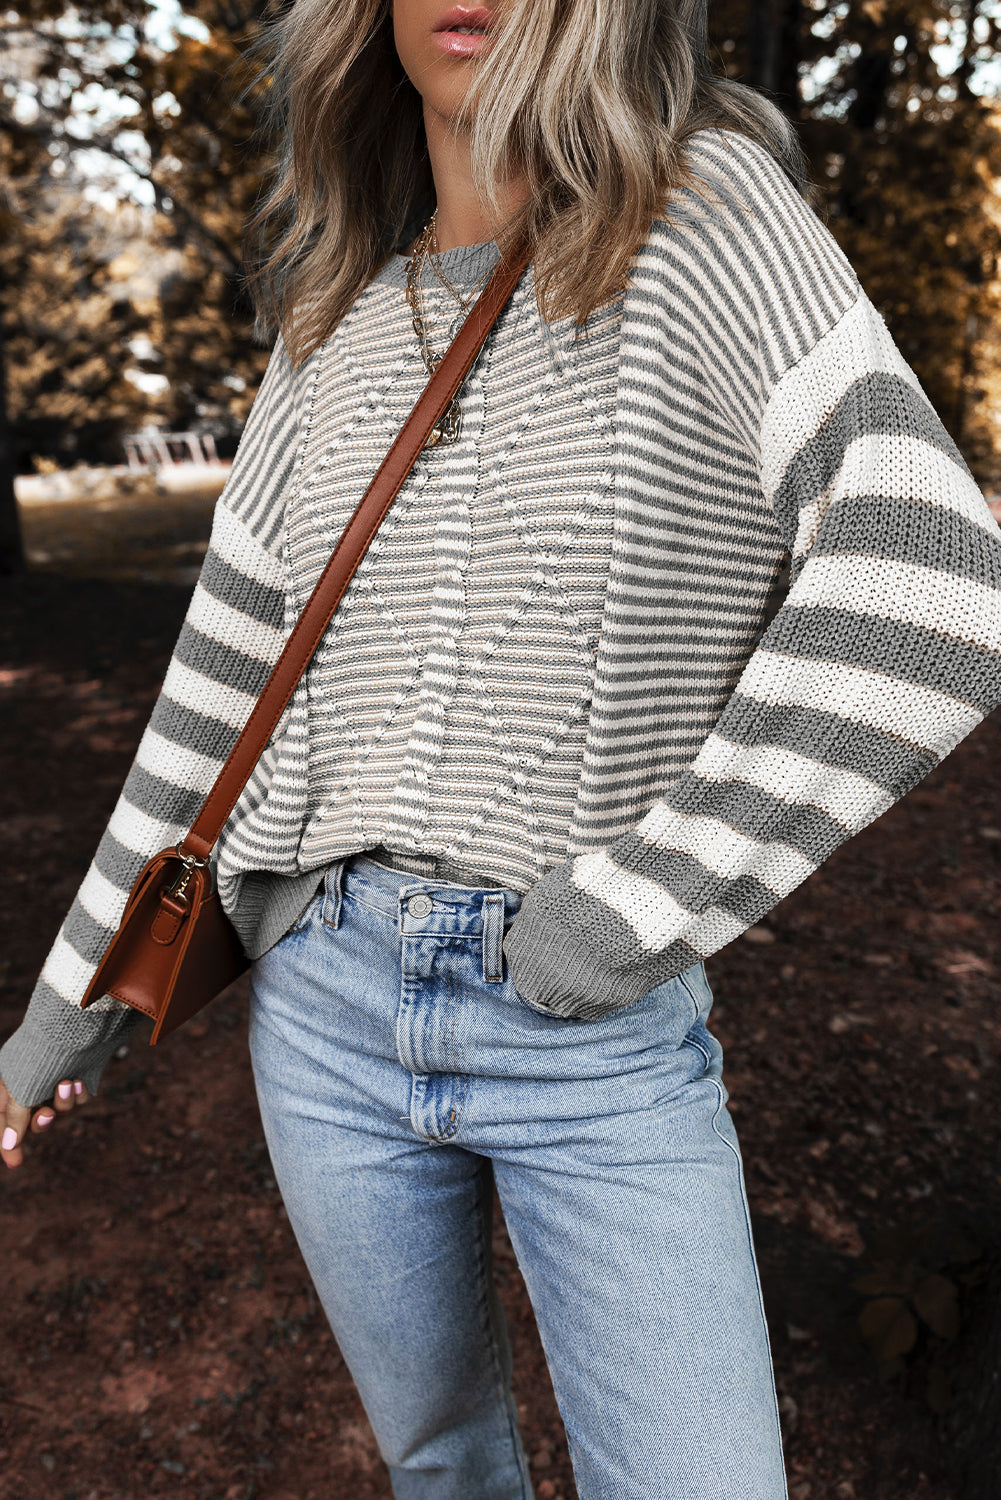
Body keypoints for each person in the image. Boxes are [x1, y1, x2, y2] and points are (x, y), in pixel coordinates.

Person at [3, 0, 1001, 1495]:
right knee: (438, 1463)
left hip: (589, 1034)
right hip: (323, 1000)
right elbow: (211, 702)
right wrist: (68, 1008)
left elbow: (925, 580)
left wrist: (633, 911)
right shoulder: (328, 320)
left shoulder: (708, 216)